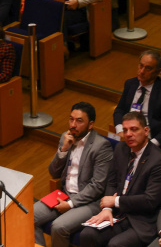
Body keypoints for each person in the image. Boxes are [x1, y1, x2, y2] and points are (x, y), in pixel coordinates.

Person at [79, 111, 161, 247]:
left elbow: (150, 201)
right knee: (87, 234)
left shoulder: (159, 161)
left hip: (142, 220)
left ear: (146, 131)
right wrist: (107, 209)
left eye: (134, 129)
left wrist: (115, 201)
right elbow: (112, 181)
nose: (128, 134)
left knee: (116, 245)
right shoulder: (121, 148)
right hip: (118, 213)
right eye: (125, 130)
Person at [35, 102, 114, 247]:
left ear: (90, 125)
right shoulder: (66, 138)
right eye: (71, 119)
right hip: (63, 193)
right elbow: (53, 172)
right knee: (29, 215)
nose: (73, 125)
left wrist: (70, 204)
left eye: (79, 121)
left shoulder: (101, 146)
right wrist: (64, 149)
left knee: (59, 227)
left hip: (90, 202)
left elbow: (97, 186)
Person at [113, 51, 161, 143]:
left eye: (148, 68)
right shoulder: (130, 84)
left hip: (149, 138)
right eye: (141, 66)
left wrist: (154, 142)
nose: (142, 71)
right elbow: (120, 110)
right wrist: (120, 130)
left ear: (158, 72)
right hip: (126, 133)